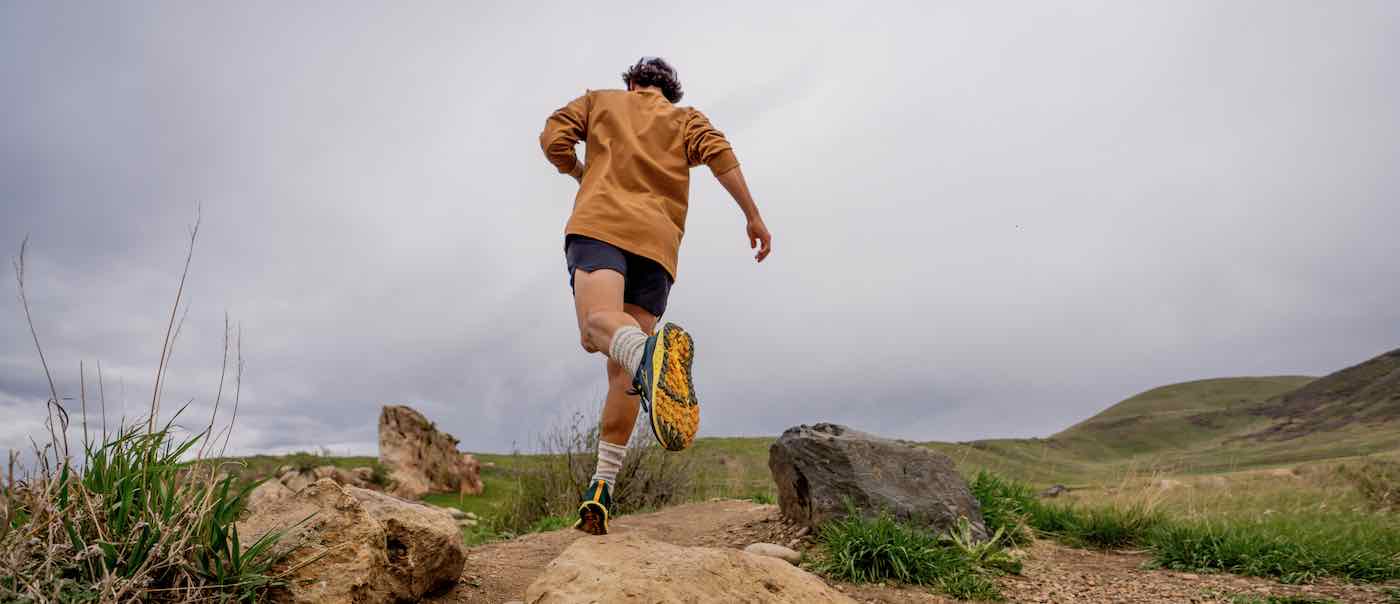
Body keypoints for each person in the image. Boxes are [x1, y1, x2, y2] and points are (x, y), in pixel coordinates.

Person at [539, 57, 771, 535]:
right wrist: (753, 216)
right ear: (671, 92)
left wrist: (580, 171)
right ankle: (601, 487)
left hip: (601, 226)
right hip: (658, 247)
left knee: (595, 329)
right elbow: (721, 155)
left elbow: (553, 138)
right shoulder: (686, 120)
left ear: (633, 82)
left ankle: (650, 355)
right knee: (621, 368)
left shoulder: (601, 102)